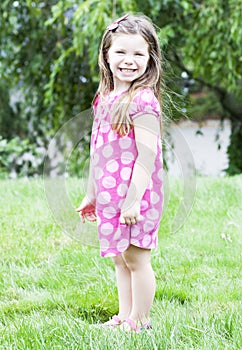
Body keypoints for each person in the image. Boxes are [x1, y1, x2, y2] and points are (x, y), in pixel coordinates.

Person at [76, 13, 163, 333]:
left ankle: (140, 321)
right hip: (111, 195)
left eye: (138, 54)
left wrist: (132, 200)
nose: (129, 61)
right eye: (121, 53)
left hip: (136, 196)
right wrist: (91, 192)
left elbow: (147, 156)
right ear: (106, 55)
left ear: (149, 59)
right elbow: (96, 151)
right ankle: (124, 316)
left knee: (137, 259)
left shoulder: (143, 101)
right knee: (119, 257)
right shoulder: (104, 98)